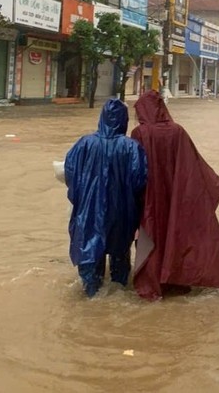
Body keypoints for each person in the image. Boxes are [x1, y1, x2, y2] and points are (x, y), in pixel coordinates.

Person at [131, 90, 219, 301]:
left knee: (152, 233)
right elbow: (194, 162)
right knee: (176, 235)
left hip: (150, 198)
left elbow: (135, 169)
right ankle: (175, 281)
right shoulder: (178, 131)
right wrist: (217, 183)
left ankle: (154, 283)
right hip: (177, 197)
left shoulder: (140, 133)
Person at [61, 99, 148, 297]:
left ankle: (91, 294)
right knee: (119, 254)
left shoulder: (84, 144)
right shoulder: (131, 147)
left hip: (89, 210)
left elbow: (69, 172)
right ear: (124, 120)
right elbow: (139, 180)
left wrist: (81, 195)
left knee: (90, 251)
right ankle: (118, 289)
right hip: (121, 210)